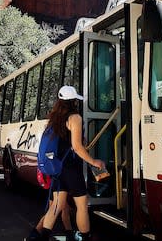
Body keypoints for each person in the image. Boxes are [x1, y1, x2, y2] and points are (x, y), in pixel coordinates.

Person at [26, 86, 105, 241]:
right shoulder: (75, 117)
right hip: (70, 168)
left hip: (57, 168)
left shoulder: (54, 118)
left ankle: (40, 237)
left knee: (56, 206)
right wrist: (93, 161)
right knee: (82, 205)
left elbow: (64, 142)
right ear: (73, 101)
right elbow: (76, 147)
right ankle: (85, 237)